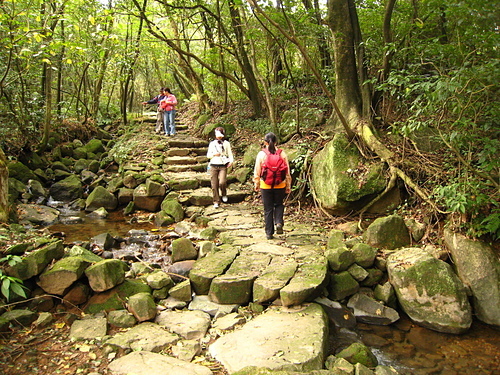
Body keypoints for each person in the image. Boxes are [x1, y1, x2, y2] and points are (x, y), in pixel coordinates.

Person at [253, 132, 292, 239]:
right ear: (276, 142)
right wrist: (288, 185)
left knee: (268, 208)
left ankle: (269, 233)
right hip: (280, 184)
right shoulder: (282, 154)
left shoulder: (261, 154)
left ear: (265, 142)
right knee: (279, 204)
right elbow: (287, 172)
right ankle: (279, 222)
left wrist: (256, 183)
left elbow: (257, 170)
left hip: (265, 185)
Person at [207, 127, 234, 208]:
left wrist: (231, 161)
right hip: (213, 165)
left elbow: (230, 154)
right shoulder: (212, 144)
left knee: (222, 182)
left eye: (220, 135)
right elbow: (208, 155)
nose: (219, 137)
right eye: (218, 135)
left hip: (223, 165)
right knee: (214, 185)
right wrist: (214, 155)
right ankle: (216, 201)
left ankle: (224, 194)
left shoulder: (226, 143)